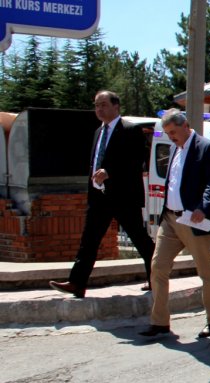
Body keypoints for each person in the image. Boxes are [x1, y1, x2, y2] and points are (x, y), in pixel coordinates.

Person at [49, 91, 156, 298]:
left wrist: (110, 172)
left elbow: (136, 161)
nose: (99, 109)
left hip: (123, 196)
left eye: (104, 105)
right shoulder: (98, 132)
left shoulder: (130, 130)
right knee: (89, 239)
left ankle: (156, 277)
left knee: (140, 239)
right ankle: (77, 282)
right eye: (97, 105)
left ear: (116, 106)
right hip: (100, 197)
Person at [139, 109, 210, 339]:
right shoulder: (175, 148)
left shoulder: (206, 147)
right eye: (167, 133)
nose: (171, 137)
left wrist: (202, 207)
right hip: (170, 219)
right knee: (158, 267)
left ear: (186, 126)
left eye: (173, 132)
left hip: (193, 220)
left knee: (206, 272)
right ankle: (160, 323)